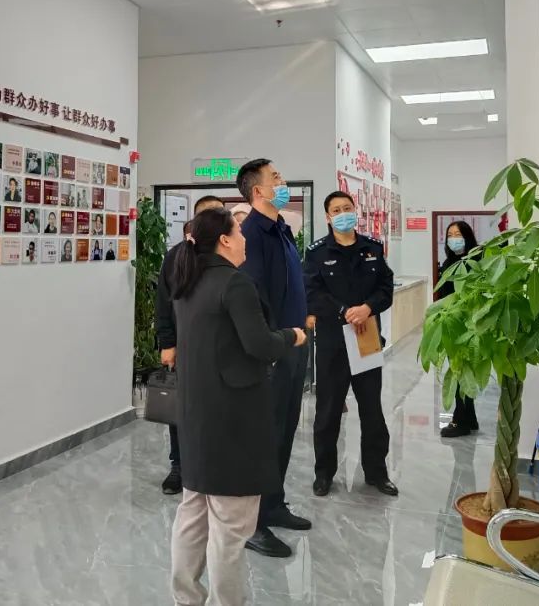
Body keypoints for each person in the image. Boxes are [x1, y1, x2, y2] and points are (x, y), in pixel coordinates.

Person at [169, 207, 307, 606]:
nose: (246, 239)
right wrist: (292, 336)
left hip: (196, 413)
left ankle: (185, 598)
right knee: (231, 527)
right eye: (240, 232)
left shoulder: (188, 280)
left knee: (193, 513)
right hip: (232, 417)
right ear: (225, 240)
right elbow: (260, 344)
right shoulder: (235, 282)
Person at [236, 159, 310, 558]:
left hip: (294, 344)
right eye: (275, 177)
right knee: (264, 436)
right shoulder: (251, 235)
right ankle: (252, 522)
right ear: (258, 191)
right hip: (274, 350)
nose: (283, 181)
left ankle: (274, 504)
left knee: (284, 428)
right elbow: (255, 301)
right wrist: (272, 347)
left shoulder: (282, 229)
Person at [304, 191, 398, 498]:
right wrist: (345, 311)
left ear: (355, 211)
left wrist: (367, 308)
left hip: (366, 338)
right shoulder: (317, 253)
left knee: (372, 410)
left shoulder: (372, 248)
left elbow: (386, 287)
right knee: (328, 411)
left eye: (347, 208)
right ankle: (323, 474)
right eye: (336, 210)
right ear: (328, 217)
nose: (343, 213)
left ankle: (376, 472)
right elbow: (313, 294)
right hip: (333, 342)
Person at [155, 195, 225, 496]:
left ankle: (214, 465)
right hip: (185, 347)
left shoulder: (231, 252)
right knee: (182, 410)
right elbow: (163, 303)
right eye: (205, 215)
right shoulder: (176, 256)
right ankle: (179, 466)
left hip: (221, 348)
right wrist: (167, 343)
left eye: (218, 214)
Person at [437, 221, 482, 438]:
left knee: (460, 373)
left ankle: (460, 421)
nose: (453, 238)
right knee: (461, 371)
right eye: (450, 235)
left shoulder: (477, 260)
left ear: (467, 236)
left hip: (469, 325)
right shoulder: (448, 263)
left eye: (458, 234)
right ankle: (470, 418)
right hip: (452, 324)